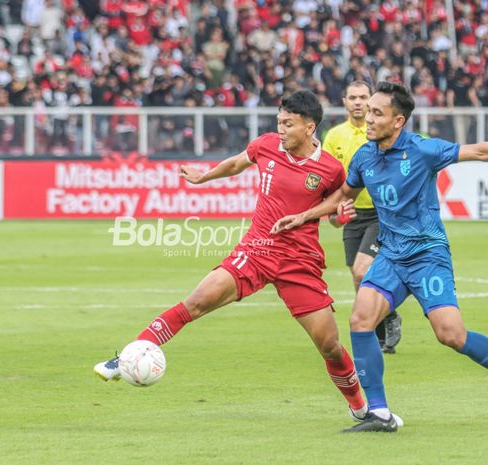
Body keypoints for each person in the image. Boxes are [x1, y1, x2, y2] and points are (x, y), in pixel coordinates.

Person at [272, 82, 488, 432]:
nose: (369, 119)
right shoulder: (364, 155)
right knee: (361, 319)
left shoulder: (422, 150)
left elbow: (479, 151)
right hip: (391, 255)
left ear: (398, 121)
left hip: (427, 255)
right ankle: (378, 413)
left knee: (451, 334)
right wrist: (304, 216)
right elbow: (344, 193)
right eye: (369, 111)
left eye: (378, 113)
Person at [93, 90, 370, 423]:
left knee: (328, 344)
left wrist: (333, 216)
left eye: (289, 124)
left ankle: (361, 408)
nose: (280, 129)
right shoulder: (267, 145)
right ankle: (125, 357)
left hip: (300, 261)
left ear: (309, 127)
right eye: (279, 121)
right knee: (196, 302)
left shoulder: (329, 169)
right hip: (256, 250)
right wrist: (204, 177)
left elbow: (336, 210)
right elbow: (238, 163)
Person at [323, 80, 402, 354]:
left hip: (381, 214)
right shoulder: (334, 137)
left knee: (362, 270)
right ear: (344, 102)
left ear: (371, 102)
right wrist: (333, 213)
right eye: (352, 97)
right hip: (352, 213)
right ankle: (383, 323)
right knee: (359, 280)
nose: (357, 102)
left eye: (363, 97)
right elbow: (330, 181)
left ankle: (384, 321)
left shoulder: (380, 132)